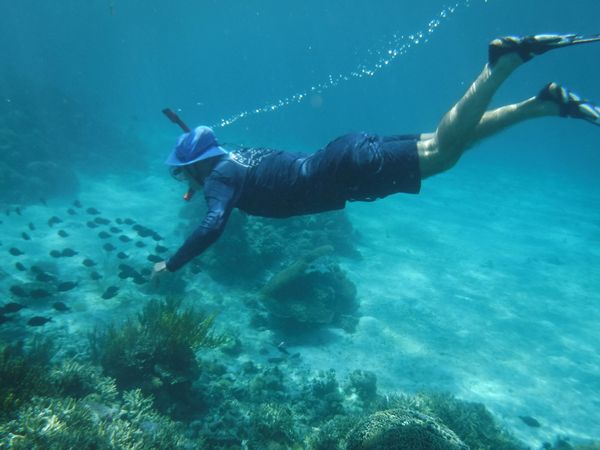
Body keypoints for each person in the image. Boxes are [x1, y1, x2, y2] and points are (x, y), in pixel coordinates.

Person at [153, 33, 600, 275]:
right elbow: (219, 165)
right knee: (450, 141)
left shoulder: (219, 179)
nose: (182, 181)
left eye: (181, 172)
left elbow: (212, 225)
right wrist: (197, 163)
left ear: (196, 165)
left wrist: (170, 266)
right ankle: (544, 104)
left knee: (444, 153)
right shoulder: (233, 158)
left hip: (347, 172)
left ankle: (501, 63)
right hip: (344, 153)